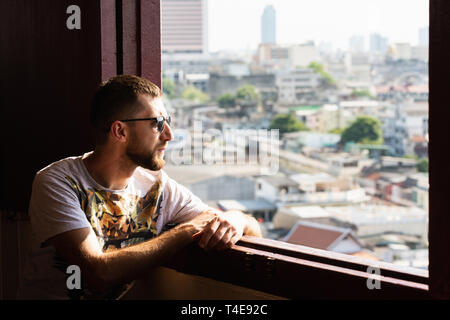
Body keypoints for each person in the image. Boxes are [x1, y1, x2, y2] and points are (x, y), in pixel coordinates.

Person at [18, 75, 262, 300]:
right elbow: (99, 273)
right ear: (120, 131)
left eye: (168, 121)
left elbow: (241, 227)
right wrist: (185, 231)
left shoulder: (157, 186)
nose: (169, 134)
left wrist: (236, 220)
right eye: (157, 123)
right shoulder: (57, 182)